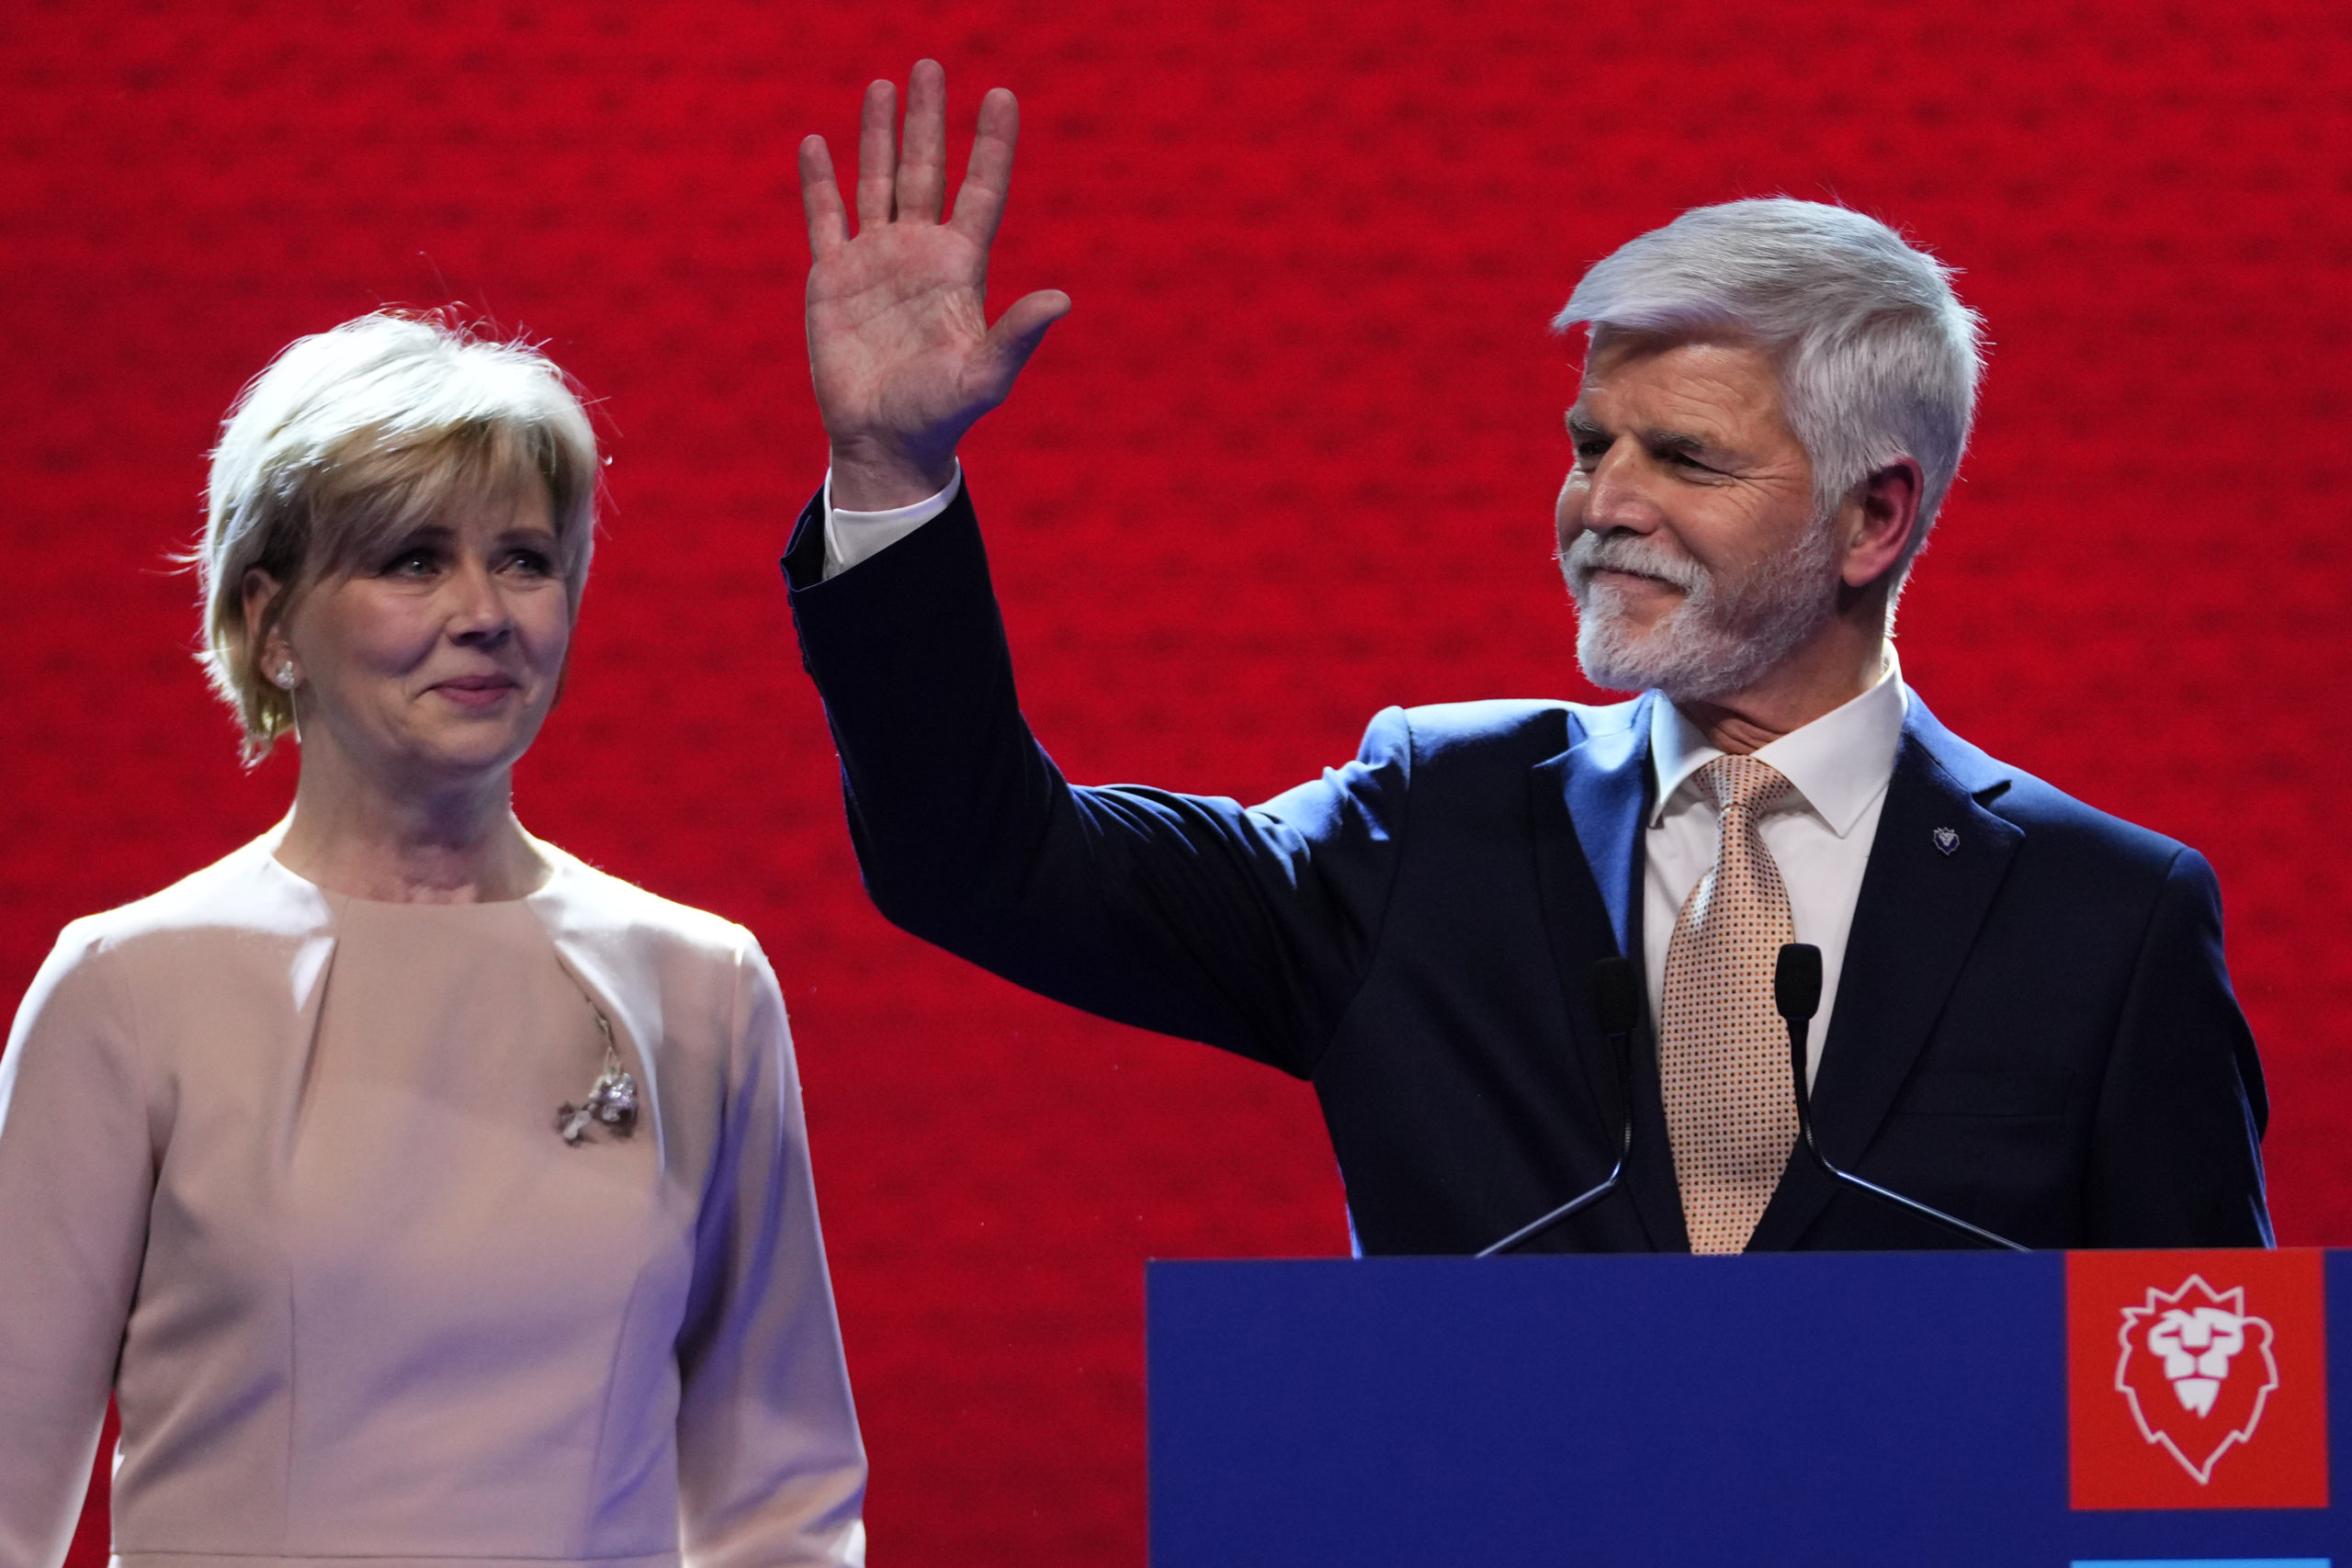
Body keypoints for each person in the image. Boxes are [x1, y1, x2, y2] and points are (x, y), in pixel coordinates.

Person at [781, 62, 2269, 1255]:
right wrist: (891, 479)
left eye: (1682, 457)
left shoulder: (2109, 922)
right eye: (1588, 445)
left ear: (1873, 517)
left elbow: (2205, 1456)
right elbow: (983, 863)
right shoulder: (1430, 822)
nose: (1601, 503)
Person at [0, 314, 867, 1565]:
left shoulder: (703, 985)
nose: (483, 612)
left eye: (523, 558)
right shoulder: (128, 989)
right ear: (271, 621)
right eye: (412, 561)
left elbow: (783, 1502)